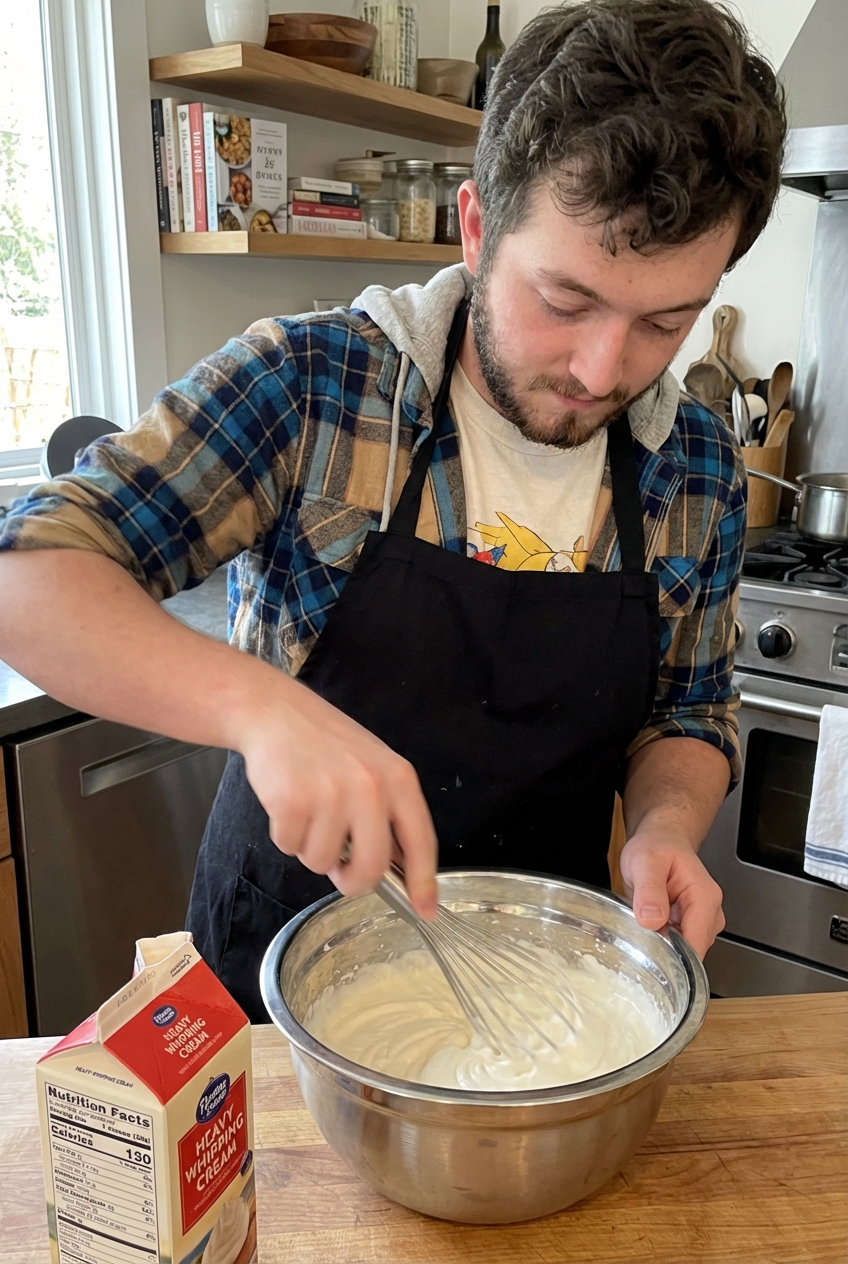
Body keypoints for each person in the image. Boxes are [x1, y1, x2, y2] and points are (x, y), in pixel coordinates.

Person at [0, 0, 786, 1021]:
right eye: (563, 300)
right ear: (473, 227)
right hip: (274, 981)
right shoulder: (313, 388)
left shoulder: (695, 466)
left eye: (662, 323)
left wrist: (665, 827)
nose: (602, 370)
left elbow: (687, 706)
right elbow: (28, 577)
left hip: (543, 982)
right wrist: (259, 707)